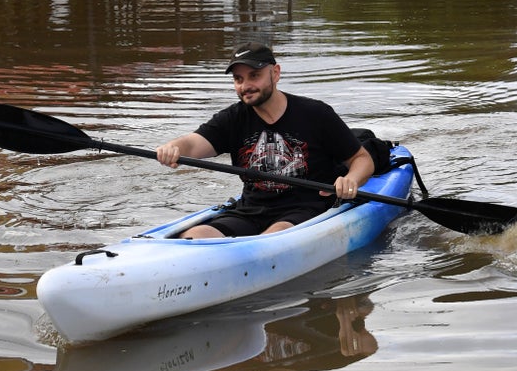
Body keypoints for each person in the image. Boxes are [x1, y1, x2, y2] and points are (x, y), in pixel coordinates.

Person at [156, 42, 375, 238]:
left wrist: (352, 179)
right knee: (194, 236)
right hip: (249, 210)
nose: (245, 86)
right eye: (238, 79)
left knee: (275, 234)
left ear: (275, 73)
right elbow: (193, 144)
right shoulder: (233, 118)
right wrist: (174, 147)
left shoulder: (316, 114)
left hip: (306, 208)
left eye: (254, 76)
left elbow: (361, 159)